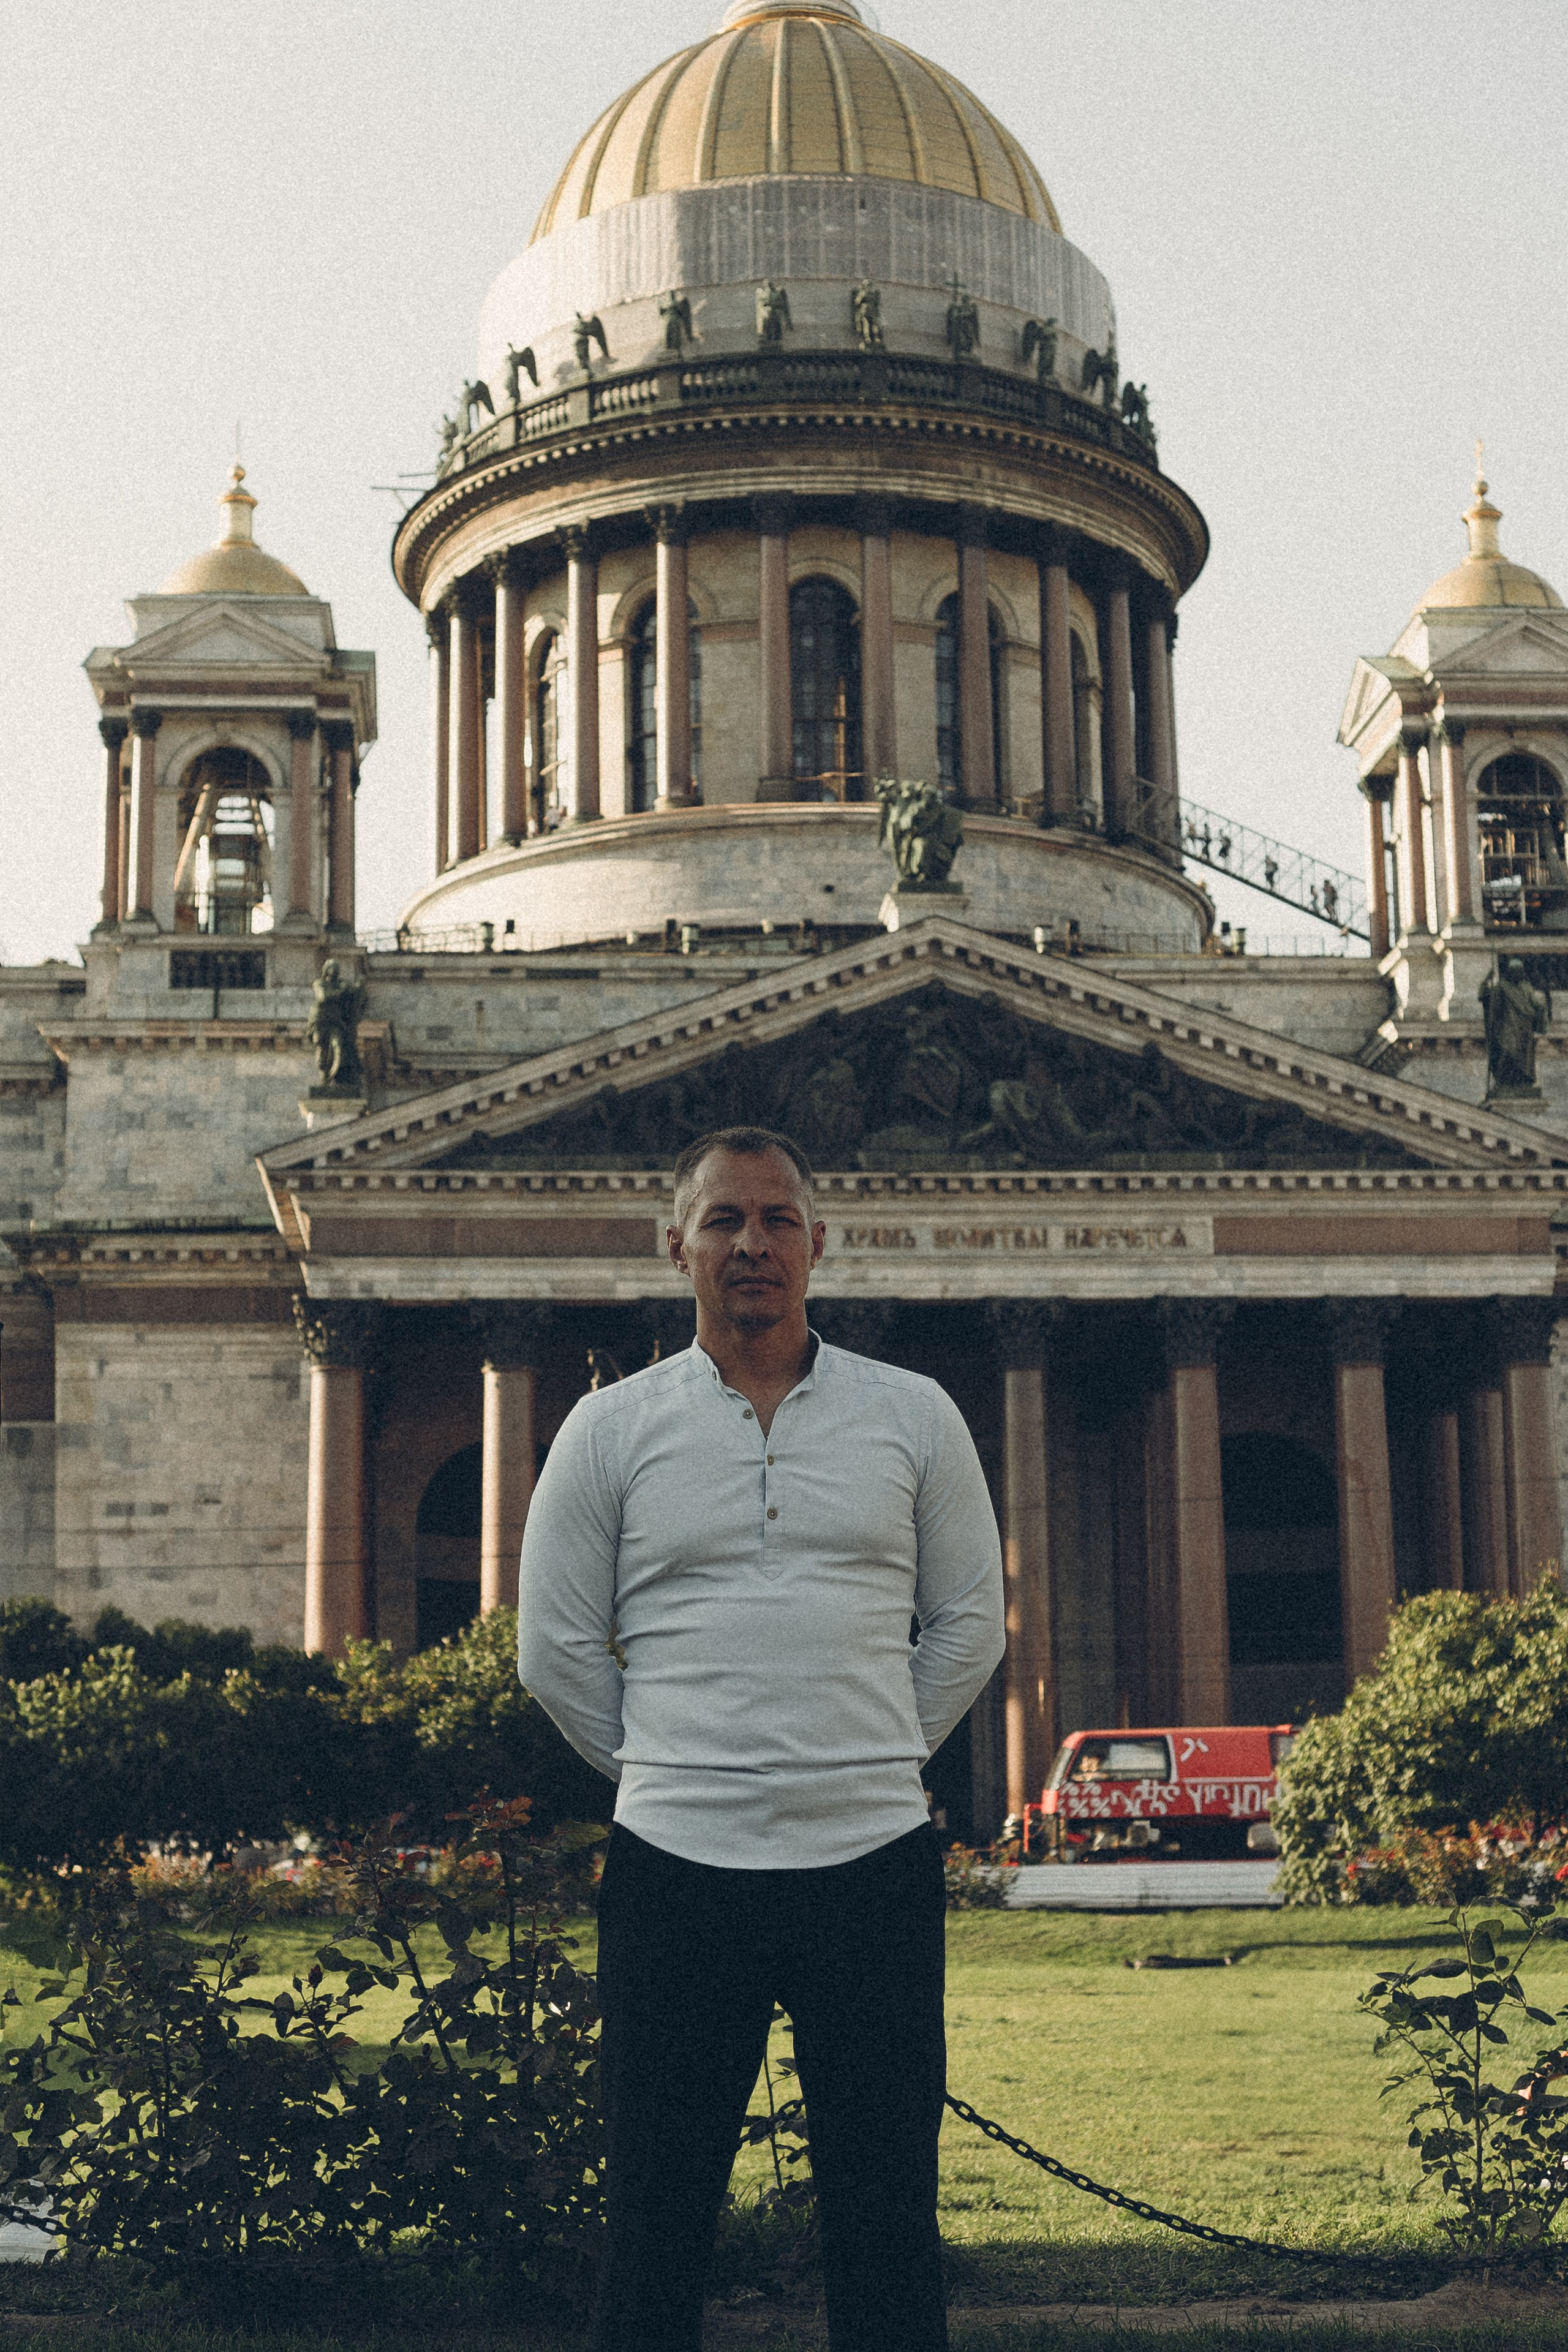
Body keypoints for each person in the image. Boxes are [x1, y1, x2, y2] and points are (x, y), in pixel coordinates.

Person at [518, 1125, 1005, 2351]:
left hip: (870, 1867)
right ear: (673, 1243)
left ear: (817, 1245)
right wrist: (672, 1769)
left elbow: (967, 1625)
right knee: (655, 2215)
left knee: (886, 2215)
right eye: (725, 1220)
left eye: (777, 1220)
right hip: (676, 1872)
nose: (752, 1245)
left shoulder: (913, 1415)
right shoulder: (610, 1430)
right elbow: (555, 1651)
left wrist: (870, 1752)